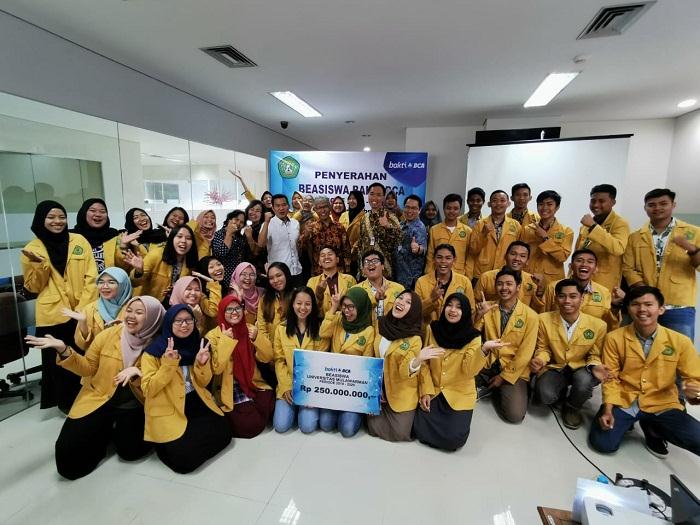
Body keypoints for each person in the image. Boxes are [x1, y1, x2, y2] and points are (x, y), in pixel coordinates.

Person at [25, 296, 165, 480]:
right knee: (68, 463)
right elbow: (87, 367)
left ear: (153, 318)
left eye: (139, 312)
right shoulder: (109, 334)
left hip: (134, 404)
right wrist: (64, 349)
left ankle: (117, 430)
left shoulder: (161, 344)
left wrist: (138, 373)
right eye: (129, 310)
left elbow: (160, 382)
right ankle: (105, 430)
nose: (131, 316)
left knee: (131, 453)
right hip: (98, 398)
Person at [589, 286, 700, 458]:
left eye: (648, 304)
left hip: (662, 403)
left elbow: (694, 378)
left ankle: (652, 426)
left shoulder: (681, 342)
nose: (642, 309)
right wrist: (608, 409)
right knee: (603, 443)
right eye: (635, 304)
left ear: (661, 309)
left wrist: (695, 393)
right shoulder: (614, 338)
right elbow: (610, 378)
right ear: (628, 309)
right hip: (626, 400)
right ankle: (635, 421)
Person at [21, 200, 97, 411]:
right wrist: (39, 265)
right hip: (52, 313)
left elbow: (92, 277)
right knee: (57, 361)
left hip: (81, 310)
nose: (57, 221)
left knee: (83, 356)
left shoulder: (79, 240)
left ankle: (86, 397)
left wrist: (83, 307)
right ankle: (65, 403)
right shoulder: (32, 248)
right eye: (51, 217)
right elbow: (33, 287)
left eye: (61, 217)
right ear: (41, 220)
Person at [141, 304, 232, 473]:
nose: (184, 325)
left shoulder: (198, 344)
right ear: (169, 323)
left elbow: (203, 383)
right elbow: (148, 389)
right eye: (178, 321)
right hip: (168, 405)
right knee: (185, 461)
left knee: (225, 432)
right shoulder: (153, 352)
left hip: (195, 398)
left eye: (188, 320)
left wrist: (202, 363)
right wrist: (168, 364)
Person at [415, 293, 508, 451]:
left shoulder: (473, 337)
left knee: (454, 439)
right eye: (449, 305)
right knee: (417, 428)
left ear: (465, 312)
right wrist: (426, 391)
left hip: (458, 393)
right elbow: (425, 364)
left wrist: (484, 350)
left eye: (458, 307)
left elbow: (469, 371)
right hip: (435, 390)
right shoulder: (433, 328)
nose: (453, 310)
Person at [530, 279, 610, 429]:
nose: (567, 301)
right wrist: (540, 360)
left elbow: (594, 355)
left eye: (573, 296)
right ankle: (561, 392)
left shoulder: (598, 325)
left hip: (581, 367)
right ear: (556, 298)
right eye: (562, 296)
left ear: (582, 298)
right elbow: (544, 348)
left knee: (584, 382)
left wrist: (595, 366)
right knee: (545, 395)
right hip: (556, 366)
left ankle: (572, 407)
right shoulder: (543, 319)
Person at [623, 188, 700, 341]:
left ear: (673, 205)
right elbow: (628, 268)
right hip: (644, 305)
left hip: (678, 307)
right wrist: (646, 293)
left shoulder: (694, 232)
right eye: (652, 205)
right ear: (645, 208)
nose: (657, 208)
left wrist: (692, 250)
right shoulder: (635, 237)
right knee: (640, 348)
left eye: (663, 203)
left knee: (680, 349)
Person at [367, 291, 435, 442]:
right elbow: (373, 359)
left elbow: (405, 372)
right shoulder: (380, 324)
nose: (401, 302)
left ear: (414, 311)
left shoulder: (415, 338)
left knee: (400, 433)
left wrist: (417, 361)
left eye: (408, 302)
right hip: (380, 385)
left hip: (401, 390)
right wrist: (376, 387)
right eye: (400, 298)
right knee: (371, 426)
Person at [474, 268, 538, 423]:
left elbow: (525, 354)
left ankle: (498, 388)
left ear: (518, 287)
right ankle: (489, 383)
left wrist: (503, 378)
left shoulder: (531, 316)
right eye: (500, 284)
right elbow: (472, 337)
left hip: (512, 368)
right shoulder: (488, 307)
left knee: (514, 415)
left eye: (509, 284)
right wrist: (479, 315)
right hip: (487, 362)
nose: (504, 288)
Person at [208, 295, 275, 438]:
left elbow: (268, 357)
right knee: (250, 426)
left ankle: (250, 410)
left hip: (252, 382)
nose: (234, 312)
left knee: (271, 406)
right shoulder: (212, 336)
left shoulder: (250, 329)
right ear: (222, 312)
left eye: (237, 308)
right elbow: (217, 369)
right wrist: (225, 341)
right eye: (229, 309)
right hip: (230, 386)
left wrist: (257, 338)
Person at [318, 287, 375, 437]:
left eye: (351, 307)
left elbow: (368, 365)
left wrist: (368, 399)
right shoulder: (338, 318)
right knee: (325, 425)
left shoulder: (369, 331)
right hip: (333, 383)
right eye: (344, 306)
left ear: (360, 307)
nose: (346, 311)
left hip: (353, 387)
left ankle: (354, 415)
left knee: (347, 430)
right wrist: (334, 307)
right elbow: (323, 332)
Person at [273, 287, 330, 433]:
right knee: (281, 426)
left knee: (307, 427)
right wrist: (286, 386)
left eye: (307, 304)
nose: (303, 308)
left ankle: (302, 412)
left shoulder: (320, 329)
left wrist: (312, 391)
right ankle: (293, 410)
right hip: (288, 385)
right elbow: (279, 360)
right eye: (299, 303)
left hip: (311, 387)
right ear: (292, 304)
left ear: (313, 306)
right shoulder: (281, 329)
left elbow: (322, 362)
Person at [540, 249, 624, 331]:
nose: (584, 264)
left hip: (591, 338)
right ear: (571, 266)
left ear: (596, 269)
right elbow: (542, 318)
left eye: (590, 262)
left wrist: (615, 306)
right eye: (579, 260)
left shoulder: (604, 293)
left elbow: (610, 326)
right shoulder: (553, 287)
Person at [574, 184, 630, 292]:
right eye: (593, 201)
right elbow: (577, 252)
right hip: (581, 280)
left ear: (613, 202)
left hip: (604, 283)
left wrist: (593, 227)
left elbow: (618, 248)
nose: (596, 205)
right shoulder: (586, 225)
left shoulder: (620, 223)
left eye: (601, 201)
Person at [124, 224, 199, 302]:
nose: (183, 241)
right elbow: (134, 283)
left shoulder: (191, 262)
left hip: (174, 303)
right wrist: (139, 271)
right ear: (171, 238)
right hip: (148, 302)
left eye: (188, 238)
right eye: (179, 236)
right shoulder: (156, 255)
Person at [63, 267, 132, 350]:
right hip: (97, 356)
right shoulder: (89, 309)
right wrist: (83, 323)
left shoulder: (135, 308)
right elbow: (83, 346)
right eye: (101, 282)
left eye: (111, 282)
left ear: (123, 285)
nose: (104, 286)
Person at [518, 190, 573, 283]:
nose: (544, 208)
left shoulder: (566, 231)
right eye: (541, 204)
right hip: (528, 276)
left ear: (557, 207)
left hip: (552, 280)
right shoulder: (527, 229)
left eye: (549, 204)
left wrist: (546, 238)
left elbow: (563, 257)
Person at [468, 190, 522, 281]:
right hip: (482, 272)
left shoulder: (516, 225)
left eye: (502, 200)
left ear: (508, 203)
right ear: (489, 204)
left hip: (506, 272)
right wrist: (483, 234)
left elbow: (519, 251)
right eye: (495, 200)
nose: (498, 204)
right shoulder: (480, 224)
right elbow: (473, 250)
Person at [415, 244, 475, 324]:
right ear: (433, 259)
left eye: (448, 258)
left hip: (455, 329)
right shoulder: (421, 282)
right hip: (429, 329)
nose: (443, 261)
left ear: (454, 260)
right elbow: (416, 312)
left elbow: (471, 311)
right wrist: (431, 299)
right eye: (439, 257)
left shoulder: (464, 282)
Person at [355, 183, 403, 279]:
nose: (374, 198)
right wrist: (360, 268)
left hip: (384, 270)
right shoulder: (364, 218)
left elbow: (400, 240)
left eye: (378, 195)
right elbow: (361, 243)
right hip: (365, 270)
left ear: (383, 197)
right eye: (372, 194)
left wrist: (388, 227)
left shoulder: (390, 217)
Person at [474, 241, 542, 307]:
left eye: (522, 256)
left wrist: (539, 290)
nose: (517, 258)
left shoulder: (532, 280)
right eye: (513, 254)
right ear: (505, 256)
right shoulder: (487, 277)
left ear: (527, 261)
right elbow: (475, 303)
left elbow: (536, 309)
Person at [299, 196, 351, 275]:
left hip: (338, 271)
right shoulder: (311, 228)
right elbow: (302, 248)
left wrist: (347, 270)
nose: (323, 210)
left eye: (325, 207)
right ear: (315, 210)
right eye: (319, 208)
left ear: (330, 207)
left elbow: (346, 250)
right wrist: (306, 235)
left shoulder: (339, 227)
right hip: (319, 271)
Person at [259, 194, 303, 286]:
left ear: (288, 206)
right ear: (273, 208)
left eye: (284, 205)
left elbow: (297, 247)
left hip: (296, 271)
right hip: (278, 274)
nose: (281, 208)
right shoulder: (268, 224)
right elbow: (261, 244)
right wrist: (266, 222)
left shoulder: (295, 223)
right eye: (278, 206)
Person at [353, 250, 405, 327]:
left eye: (375, 261)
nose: (371, 264)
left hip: (392, 331)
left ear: (383, 266)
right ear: (363, 269)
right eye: (366, 262)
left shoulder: (398, 288)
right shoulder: (355, 290)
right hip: (366, 332)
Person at [425, 194, 471, 276]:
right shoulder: (434, 230)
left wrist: (468, 276)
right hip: (438, 273)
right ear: (443, 209)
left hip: (459, 274)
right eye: (448, 208)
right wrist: (429, 274)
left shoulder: (467, 231)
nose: (451, 211)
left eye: (455, 209)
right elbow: (430, 255)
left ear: (460, 210)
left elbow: (469, 257)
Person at [70, 198, 121, 273]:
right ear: (83, 213)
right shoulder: (71, 236)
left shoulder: (114, 235)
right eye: (93, 211)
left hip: (108, 279)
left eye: (102, 211)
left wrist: (124, 247)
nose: (98, 214)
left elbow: (122, 266)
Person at [307, 246, 357, 316]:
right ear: (319, 262)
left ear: (337, 259)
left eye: (330, 254)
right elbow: (310, 310)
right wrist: (319, 295)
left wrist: (341, 304)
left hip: (346, 319)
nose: (326, 257)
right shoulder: (312, 281)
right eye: (323, 255)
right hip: (323, 321)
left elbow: (356, 304)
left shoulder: (349, 279)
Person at [256, 262, 294, 348]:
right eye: (271, 278)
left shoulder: (297, 296)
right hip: (271, 349)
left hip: (291, 349)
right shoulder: (265, 299)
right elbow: (262, 328)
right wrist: (270, 348)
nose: (275, 280)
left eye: (278, 275)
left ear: (286, 275)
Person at [394, 194, 428, 290]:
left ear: (419, 210)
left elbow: (422, 248)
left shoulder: (419, 227)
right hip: (398, 274)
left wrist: (418, 249)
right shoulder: (402, 224)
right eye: (407, 207)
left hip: (410, 279)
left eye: (414, 208)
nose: (409, 211)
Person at [211, 209, 249, 286]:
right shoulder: (218, 234)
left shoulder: (240, 237)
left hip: (239, 277)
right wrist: (229, 233)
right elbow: (222, 253)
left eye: (241, 222)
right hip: (224, 277)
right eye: (236, 219)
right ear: (229, 220)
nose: (238, 223)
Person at [341, 190, 366, 277]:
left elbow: (364, 235)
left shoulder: (365, 217)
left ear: (360, 200)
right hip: (343, 255)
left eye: (354, 198)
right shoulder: (344, 215)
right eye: (350, 198)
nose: (351, 201)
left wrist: (353, 249)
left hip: (357, 255)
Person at [244, 200, 268, 282]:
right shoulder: (248, 227)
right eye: (252, 209)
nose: (254, 212)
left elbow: (257, 252)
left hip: (258, 270)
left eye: (258, 211)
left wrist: (249, 237)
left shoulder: (263, 228)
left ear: (262, 214)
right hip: (247, 268)